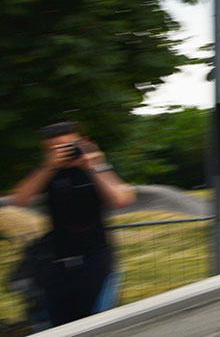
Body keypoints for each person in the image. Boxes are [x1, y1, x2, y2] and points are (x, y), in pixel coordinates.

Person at [10, 121, 135, 327]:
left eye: (70, 146)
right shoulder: (48, 173)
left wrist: (94, 166)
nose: (65, 152)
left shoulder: (96, 167)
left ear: (83, 143)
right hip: (57, 263)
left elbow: (121, 200)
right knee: (61, 326)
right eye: (56, 149)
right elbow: (20, 199)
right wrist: (48, 166)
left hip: (96, 258)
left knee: (96, 324)